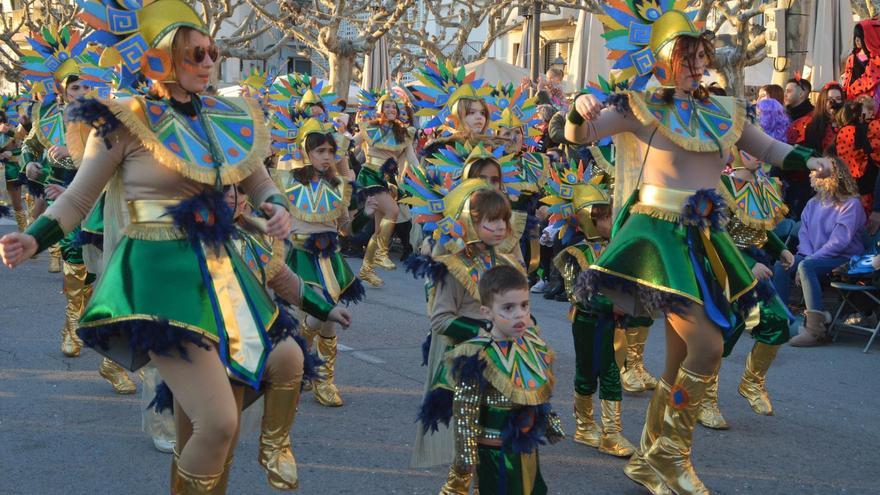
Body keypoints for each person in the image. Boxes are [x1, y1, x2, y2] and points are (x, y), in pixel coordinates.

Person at [0, 2, 313, 492]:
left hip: (220, 274)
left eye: (212, 52)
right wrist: (33, 237)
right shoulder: (125, 122)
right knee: (218, 423)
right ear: (159, 59)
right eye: (195, 54)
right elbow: (79, 199)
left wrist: (275, 205)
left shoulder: (224, 117)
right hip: (156, 281)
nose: (209, 62)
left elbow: (259, 180)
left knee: (285, 361)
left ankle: (274, 444)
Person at [567, 4, 830, 493]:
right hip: (657, 238)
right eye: (685, 56)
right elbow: (581, 134)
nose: (695, 64)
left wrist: (813, 158)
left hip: (707, 237)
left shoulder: (722, 109)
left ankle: (650, 459)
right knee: (707, 348)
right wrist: (579, 104)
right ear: (662, 57)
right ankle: (673, 457)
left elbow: (770, 149)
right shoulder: (637, 107)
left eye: (699, 55)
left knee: (678, 359)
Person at [406, 180, 524, 484]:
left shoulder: (508, 262)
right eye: (491, 221)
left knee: (500, 436)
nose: (500, 228)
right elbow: (441, 320)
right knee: (467, 440)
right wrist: (486, 329)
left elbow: (520, 310)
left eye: (503, 220)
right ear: (468, 223)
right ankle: (455, 488)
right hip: (469, 365)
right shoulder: (453, 267)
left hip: (506, 363)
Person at [431, 265, 564, 495]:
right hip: (494, 450)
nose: (519, 314)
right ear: (487, 312)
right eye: (508, 308)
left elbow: (537, 392)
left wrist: (548, 421)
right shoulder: (476, 355)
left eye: (524, 305)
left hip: (526, 445)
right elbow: (465, 410)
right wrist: (466, 460)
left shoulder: (533, 345)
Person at [270, 116, 364, 407]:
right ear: (306, 153)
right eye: (319, 151)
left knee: (327, 325)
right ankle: (304, 369)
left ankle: (322, 379)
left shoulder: (338, 186)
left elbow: (345, 228)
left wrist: (366, 212)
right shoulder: (287, 182)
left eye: (330, 151)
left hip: (331, 259)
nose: (326, 157)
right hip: (301, 258)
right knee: (320, 313)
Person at [548, 167, 635, 457]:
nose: (614, 220)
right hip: (589, 322)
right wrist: (615, 305)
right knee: (592, 373)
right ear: (589, 218)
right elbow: (580, 296)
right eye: (608, 215)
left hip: (615, 324)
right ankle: (591, 428)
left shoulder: (617, 247)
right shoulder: (575, 255)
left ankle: (608, 430)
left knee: (610, 373)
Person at [715, 149, 795, 419]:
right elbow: (716, 235)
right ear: (735, 152)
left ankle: (752, 382)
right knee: (721, 337)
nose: (757, 156)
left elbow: (762, 230)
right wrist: (748, 264)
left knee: (776, 323)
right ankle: (704, 399)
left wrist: (781, 249)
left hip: (759, 269)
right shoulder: (722, 186)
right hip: (728, 269)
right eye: (749, 150)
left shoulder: (764, 187)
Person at [773, 156, 866, 347]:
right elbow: (804, 236)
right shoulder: (812, 204)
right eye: (814, 173)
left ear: (836, 176)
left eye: (821, 173)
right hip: (814, 259)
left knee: (806, 266)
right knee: (783, 265)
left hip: (844, 260)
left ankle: (815, 331)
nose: (815, 176)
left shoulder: (851, 205)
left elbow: (839, 243)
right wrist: (804, 259)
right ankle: (780, 320)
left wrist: (808, 261)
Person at [354, 87, 419, 287]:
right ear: (380, 108)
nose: (391, 108)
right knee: (393, 210)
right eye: (387, 105)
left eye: (394, 106)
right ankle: (382, 253)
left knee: (377, 229)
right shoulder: (370, 127)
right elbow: (351, 144)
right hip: (369, 176)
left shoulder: (405, 134)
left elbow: (413, 161)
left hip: (385, 180)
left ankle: (366, 269)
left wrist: (424, 180)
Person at [785, 82, 844, 220]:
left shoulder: (847, 125)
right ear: (823, 101)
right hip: (816, 180)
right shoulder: (813, 125)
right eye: (829, 99)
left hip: (841, 180)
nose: (833, 103)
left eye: (838, 99)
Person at [842, 20, 880, 106]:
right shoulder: (851, 58)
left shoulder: (877, 59)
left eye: (860, 37)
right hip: (851, 98)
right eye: (855, 36)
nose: (857, 40)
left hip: (870, 100)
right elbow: (847, 78)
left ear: (869, 37)